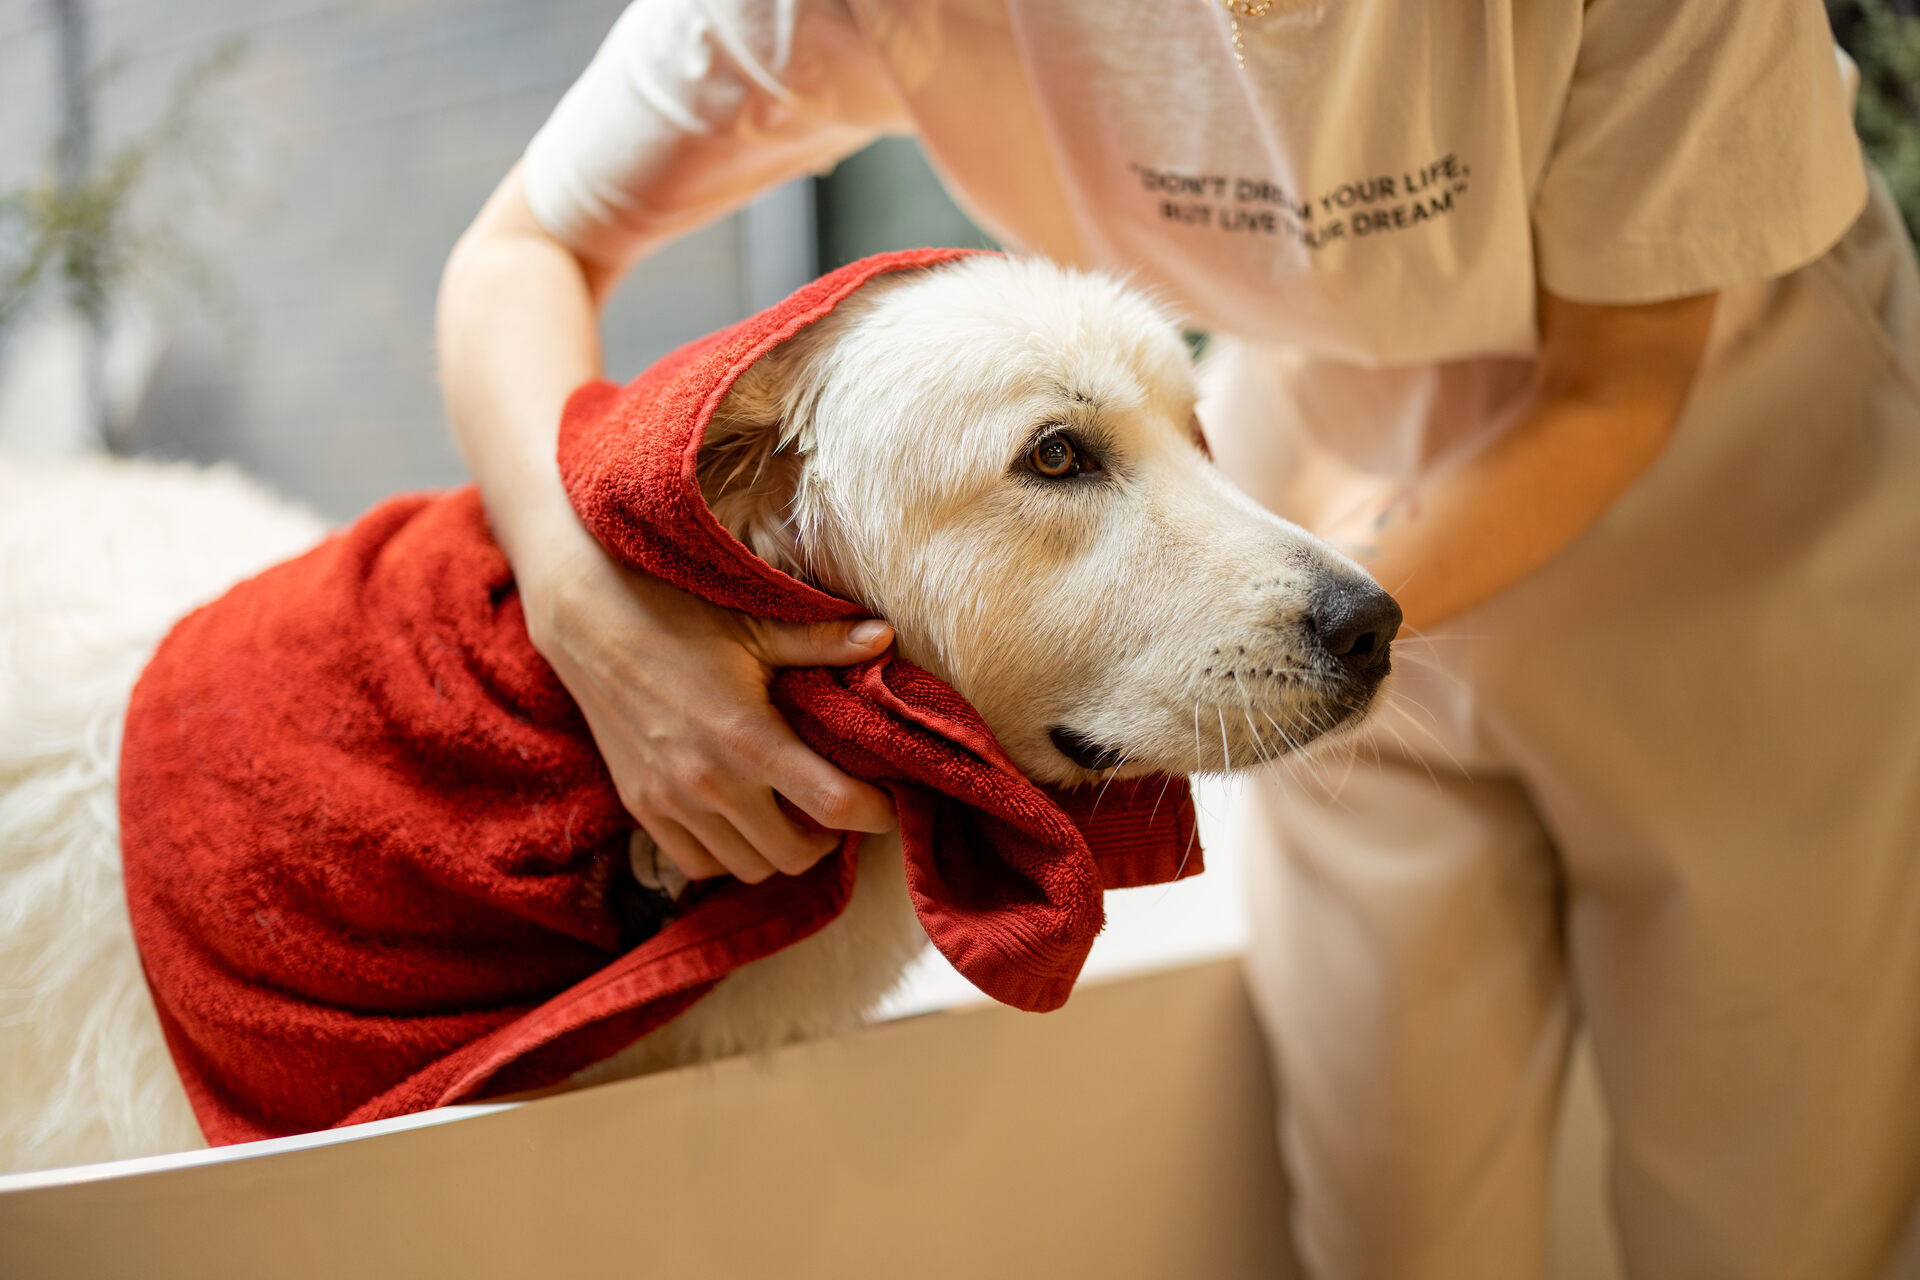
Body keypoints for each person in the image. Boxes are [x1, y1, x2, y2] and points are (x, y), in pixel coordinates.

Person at [435, 2, 1920, 1274]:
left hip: (1734, 476)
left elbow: (1615, 388)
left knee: (1764, 1213)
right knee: (1396, 1209)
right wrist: (595, 616)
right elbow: (521, 251)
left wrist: (1277, 621)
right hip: (1295, 452)